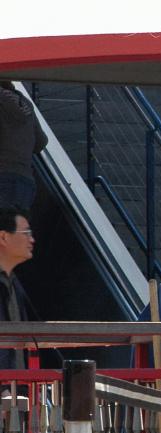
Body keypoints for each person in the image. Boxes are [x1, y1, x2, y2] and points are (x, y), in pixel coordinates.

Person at [0, 207, 36, 370]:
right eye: (26, 233)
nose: (32, 240)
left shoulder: (14, 283)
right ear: (4, 237)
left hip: (15, 387)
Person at [0, 83, 47, 210]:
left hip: (2, 174)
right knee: (14, 227)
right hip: (25, 180)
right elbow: (41, 141)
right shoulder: (24, 102)